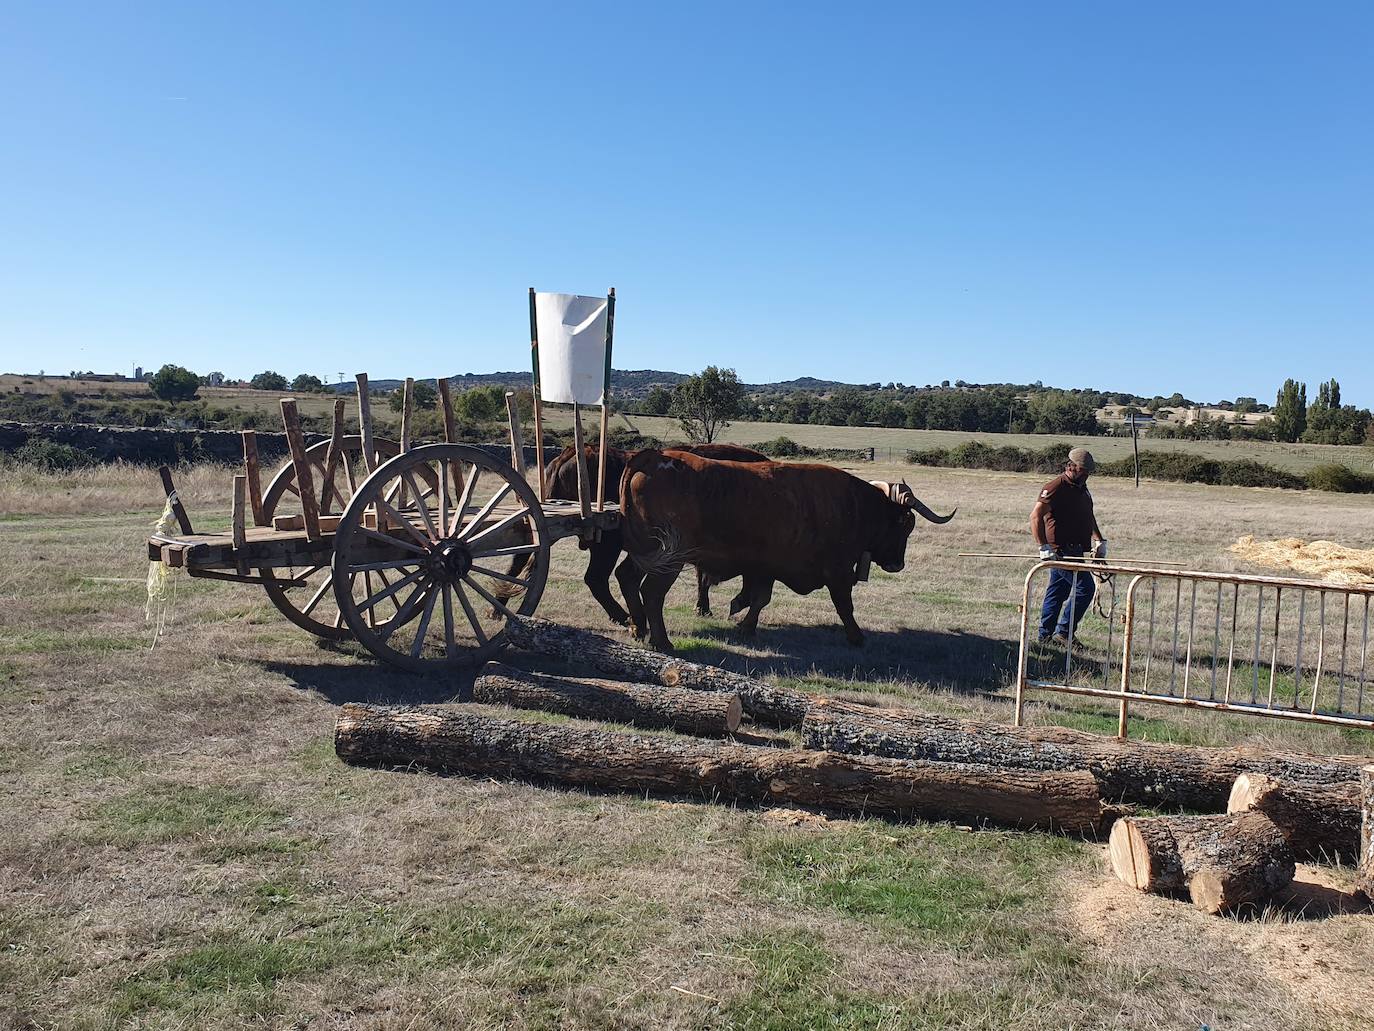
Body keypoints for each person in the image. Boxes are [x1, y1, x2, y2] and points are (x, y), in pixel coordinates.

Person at [1030, 446, 1106, 644]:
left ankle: (1045, 636)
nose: (1087, 475)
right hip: (1061, 550)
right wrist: (1043, 547)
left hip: (1077, 549)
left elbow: (1088, 515)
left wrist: (1099, 540)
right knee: (1086, 589)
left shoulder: (1082, 488)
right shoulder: (1056, 487)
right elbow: (1035, 516)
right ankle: (1063, 632)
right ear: (1072, 467)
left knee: (1058, 592)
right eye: (1084, 470)